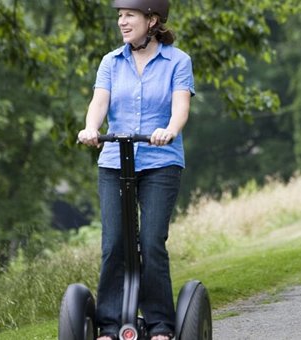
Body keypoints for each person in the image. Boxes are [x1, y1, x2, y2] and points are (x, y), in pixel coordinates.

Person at [77, 0, 194, 339]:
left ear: (152, 20)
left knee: (151, 242)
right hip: (114, 163)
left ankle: (159, 324)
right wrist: (91, 128)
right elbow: (99, 102)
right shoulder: (110, 62)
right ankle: (110, 326)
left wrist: (170, 129)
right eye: (120, 16)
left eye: (129, 15)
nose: (122, 22)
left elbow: (180, 106)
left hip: (161, 163)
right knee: (114, 243)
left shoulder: (178, 61)